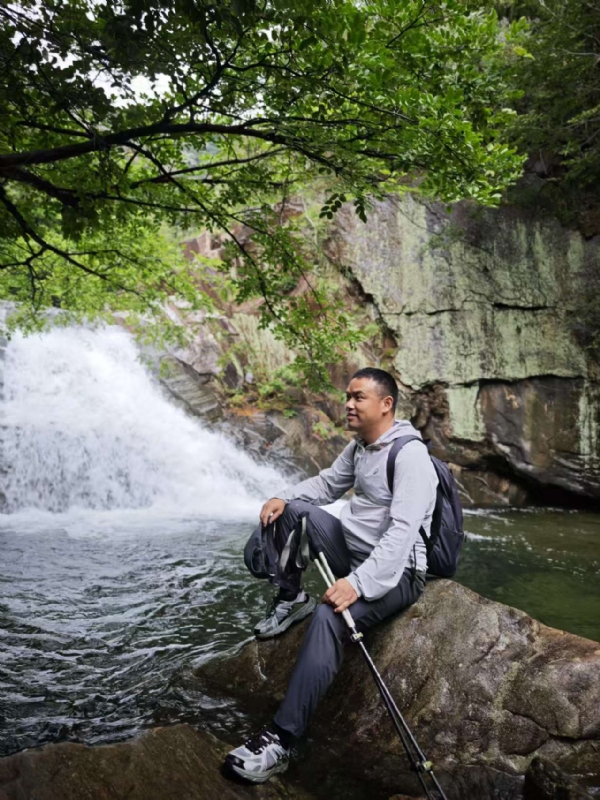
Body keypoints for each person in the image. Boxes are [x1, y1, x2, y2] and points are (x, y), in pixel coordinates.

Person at [225, 367, 438, 784]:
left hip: (400, 571)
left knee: (331, 616)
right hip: (355, 551)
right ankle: (290, 599)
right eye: (348, 396)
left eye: (358, 397)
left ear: (386, 404)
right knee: (295, 513)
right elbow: (326, 485)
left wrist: (356, 585)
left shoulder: (410, 456)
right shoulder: (360, 446)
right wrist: (282, 497)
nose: (348, 404)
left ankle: (281, 740)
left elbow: (401, 534)